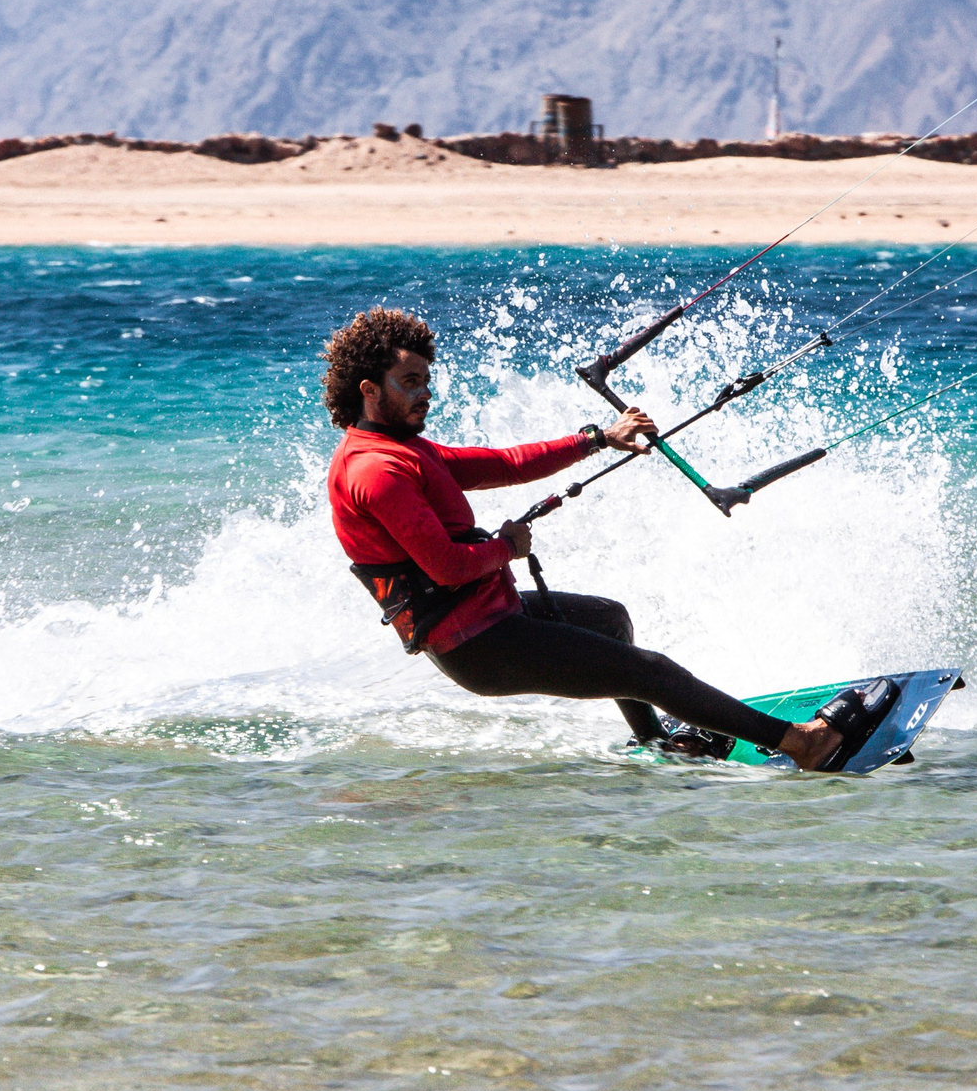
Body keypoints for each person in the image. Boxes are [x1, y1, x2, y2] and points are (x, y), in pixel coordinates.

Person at [322, 306, 857, 770]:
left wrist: (600, 438)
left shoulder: (406, 449)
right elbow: (446, 569)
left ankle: (655, 743)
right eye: (410, 382)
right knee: (649, 672)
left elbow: (507, 464)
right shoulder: (377, 470)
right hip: (475, 642)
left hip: (490, 611)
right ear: (369, 390)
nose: (425, 393)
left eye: (426, 380)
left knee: (610, 619)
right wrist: (507, 548)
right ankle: (802, 744)